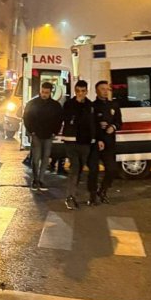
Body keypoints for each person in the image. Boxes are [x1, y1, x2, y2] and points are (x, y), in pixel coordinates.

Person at [61, 80, 96, 210]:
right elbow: (66, 118)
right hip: (71, 140)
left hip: (85, 142)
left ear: (86, 91)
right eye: (78, 91)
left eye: (83, 91)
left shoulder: (90, 105)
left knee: (80, 168)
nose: (80, 93)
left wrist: (93, 138)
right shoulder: (69, 104)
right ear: (75, 91)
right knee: (75, 167)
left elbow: (92, 122)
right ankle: (70, 196)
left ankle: (73, 192)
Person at [22, 81, 64, 191]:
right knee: (36, 158)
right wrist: (31, 131)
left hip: (48, 135)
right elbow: (26, 117)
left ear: (50, 92)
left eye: (46, 92)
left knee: (45, 158)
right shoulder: (33, 103)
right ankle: (36, 179)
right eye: (43, 92)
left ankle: (40, 179)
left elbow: (59, 120)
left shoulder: (55, 105)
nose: (44, 94)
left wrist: (55, 132)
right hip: (37, 135)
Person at [86, 80, 122, 205]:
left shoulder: (114, 105)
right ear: (96, 91)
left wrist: (113, 126)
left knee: (112, 169)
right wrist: (97, 136)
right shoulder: (92, 106)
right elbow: (89, 125)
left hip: (109, 142)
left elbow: (119, 122)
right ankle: (92, 195)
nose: (105, 91)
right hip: (95, 143)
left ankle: (103, 190)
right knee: (93, 170)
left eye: (107, 89)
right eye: (102, 89)